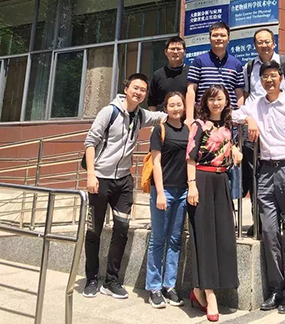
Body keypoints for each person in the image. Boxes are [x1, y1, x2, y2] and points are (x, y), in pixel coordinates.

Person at [233, 60, 285, 314]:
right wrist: (249, 118)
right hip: (265, 171)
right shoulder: (255, 104)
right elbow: (232, 115)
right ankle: (276, 289)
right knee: (268, 232)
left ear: (281, 79)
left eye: (273, 76)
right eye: (264, 76)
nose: (269, 80)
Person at [83, 74, 167, 299]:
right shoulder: (109, 112)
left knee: (121, 231)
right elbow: (90, 142)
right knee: (94, 231)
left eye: (143, 90)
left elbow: (165, 115)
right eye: (135, 88)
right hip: (100, 179)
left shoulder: (141, 115)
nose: (139, 93)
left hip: (123, 182)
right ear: (126, 88)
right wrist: (91, 174)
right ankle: (91, 278)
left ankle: (111, 280)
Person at [186, 85, 242, 322]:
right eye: (212, 99)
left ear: (226, 101)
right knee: (205, 236)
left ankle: (198, 290)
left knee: (224, 235)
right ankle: (210, 295)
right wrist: (192, 185)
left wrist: (236, 151)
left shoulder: (229, 126)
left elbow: (229, 148)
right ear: (206, 102)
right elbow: (190, 157)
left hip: (222, 181)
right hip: (202, 179)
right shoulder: (199, 125)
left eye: (220, 99)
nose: (216, 103)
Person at [241, 28, 285, 225]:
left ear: (274, 43)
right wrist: (249, 119)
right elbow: (247, 97)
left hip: (279, 128)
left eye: (267, 41)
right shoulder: (249, 67)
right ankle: (260, 222)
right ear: (255, 45)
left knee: (283, 176)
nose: (264, 45)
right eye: (260, 42)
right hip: (254, 127)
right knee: (256, 175)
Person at [146, 92, 189, 308]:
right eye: (171, 105)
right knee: (158, 239)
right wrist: (161, 192)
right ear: (166, 108)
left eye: (179, 104)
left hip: (183, 191)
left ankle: (169, 285)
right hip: (164, 191)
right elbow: (156, 162)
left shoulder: (189, 130)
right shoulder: (159, 129)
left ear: (184, 107)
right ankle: (154, 287)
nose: (176, 108)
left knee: (174, 239)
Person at [186, 22, 244, 123]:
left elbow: (239, 94)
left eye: (223, 35)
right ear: (210, 38)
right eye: (215, 35)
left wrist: (240, 116)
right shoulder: (199, 61)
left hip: (229, 119)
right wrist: (189, 117)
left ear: (228, 39)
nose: (219, 38)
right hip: (204, 118)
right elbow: (191, 90)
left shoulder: (236, 64)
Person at [148, 36, 189, 111]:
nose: (175, 52)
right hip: (162, 117)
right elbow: (152, 102)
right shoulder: (158, 75)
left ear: (184, 52)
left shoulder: (192, 73)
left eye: (178, 49)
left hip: (186, 117)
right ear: (166, 52)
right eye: (172, 49)